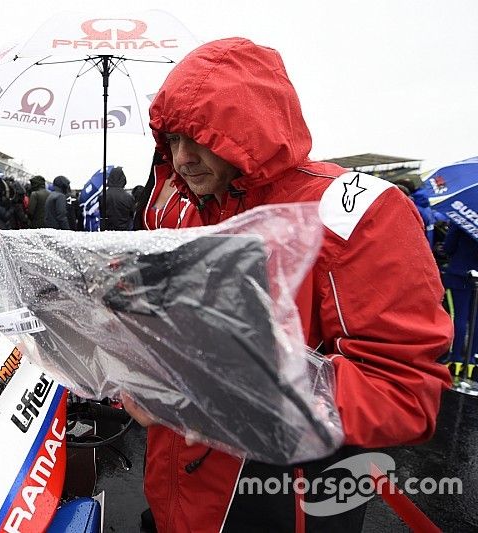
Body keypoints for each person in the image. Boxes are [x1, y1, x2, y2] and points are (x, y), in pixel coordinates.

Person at [126, 38, 453, 533]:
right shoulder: (179, 208)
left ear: (247, 132)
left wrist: (211, 393)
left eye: (201, 138)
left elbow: (404, 393)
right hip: (172, 489)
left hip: (277, 499)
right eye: (172, 139)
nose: (183, 158)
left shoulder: (356, 214)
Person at [442, 224, 478, 364]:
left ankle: (455, 356)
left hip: (460, 273)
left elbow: (449, 246)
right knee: (475, 318)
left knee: (458, 316)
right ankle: (470, 358)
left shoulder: (462, 216)